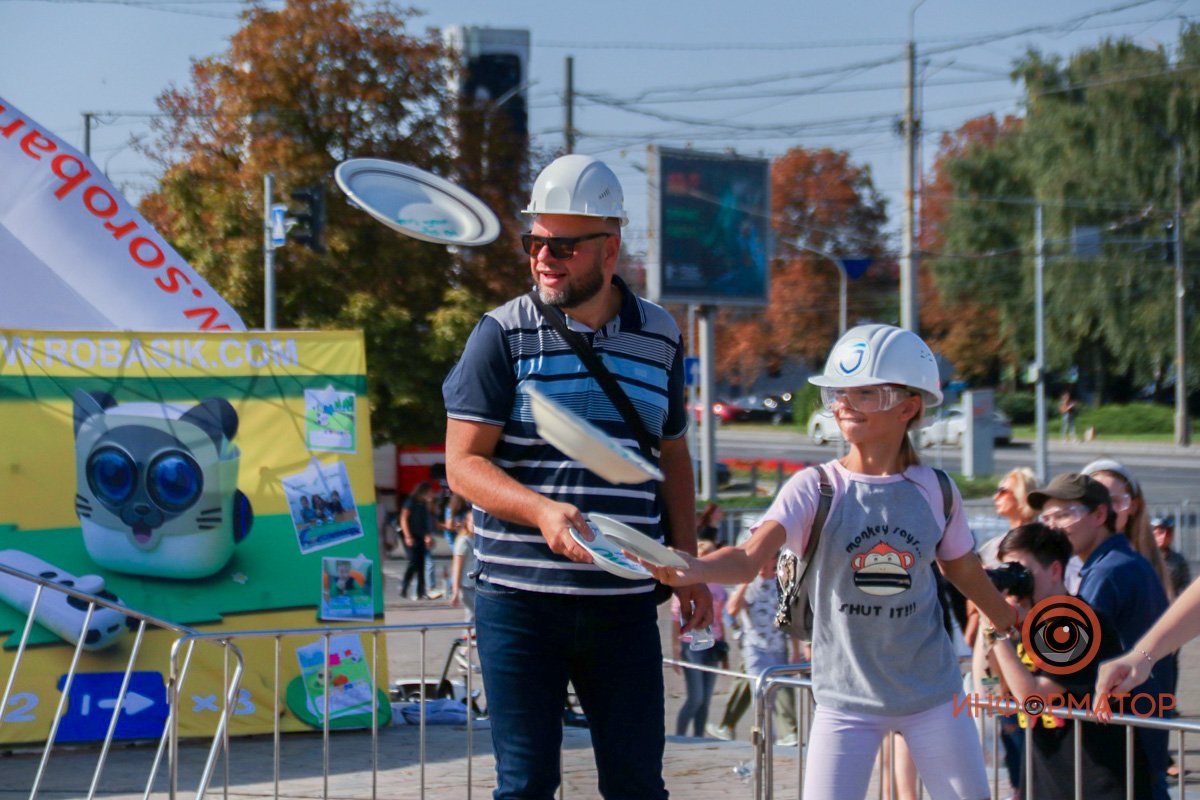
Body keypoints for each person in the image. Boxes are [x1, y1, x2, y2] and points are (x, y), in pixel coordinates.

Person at [641, 323, 1017, 800]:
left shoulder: (937, 489)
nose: (844, 405)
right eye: (838, 393)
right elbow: (750, 558)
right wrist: (696, 567)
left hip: (933, 696)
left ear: (908, 407)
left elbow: (960, 568)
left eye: (865, 394)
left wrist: (1009, 621)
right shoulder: (815, 487)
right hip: (844, 701)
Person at [442, 154, 711, 800]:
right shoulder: (500, 335)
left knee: (638, 786)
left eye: (562, 246)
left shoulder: (660, 335)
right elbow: (462, 465)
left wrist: (688, 562)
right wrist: (541, 511)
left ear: (609, 249)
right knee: (526, 785)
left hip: (623, 603)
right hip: (519, 602)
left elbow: (673, 455)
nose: (544, 258)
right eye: (534, 242)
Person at [976, 523, 1150, 799]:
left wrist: (995, 627)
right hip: (1046, 782)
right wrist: (990, 616)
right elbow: (995, 689)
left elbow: (1032, 697)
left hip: (1098, 786)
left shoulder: (1079, 623)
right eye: (1006, 570)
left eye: (1021, 570)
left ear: (1055, 570)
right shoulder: (1027, 625)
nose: (1014, 580)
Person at [1027, 472, 1174, 800]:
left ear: (1099, 515)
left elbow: (1069, 651)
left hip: (1125, 745)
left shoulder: (1108, 572)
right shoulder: (1123, 562)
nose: (1052, 527)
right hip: (1141, 733)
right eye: (1046, 517)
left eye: (1064, 514)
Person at [724, 555, 799, 746]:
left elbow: (791, 620)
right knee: (759, 695)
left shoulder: (781, 584)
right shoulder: (749, 585)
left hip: (778, 647)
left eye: (770, 561)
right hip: (755, 648)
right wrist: (746, 581)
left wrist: (795, 650)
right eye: (762, 562)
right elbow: (731, 610)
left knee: (779, 693)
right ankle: (765, 741)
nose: (765, 566)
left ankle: (785, 735)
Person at [1080, 458, 1174, 599]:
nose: (1104, 510)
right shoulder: (1066, 561)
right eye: (1094, 501)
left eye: (1114, 501)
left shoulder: (1140, 565)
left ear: (1133, 506)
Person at [670, 540, 729, 738]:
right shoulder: (687, 583)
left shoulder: (718, 586)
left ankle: (698, 738)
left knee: (705, 700)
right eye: (706, 556)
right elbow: (675, 619)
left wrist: (725, 652)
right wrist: (676, 650)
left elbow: (719, 618)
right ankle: (679, 736)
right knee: (695, 697)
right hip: (691, 644)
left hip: (713, 644)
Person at [399, 481, 434, 601]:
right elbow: (403, 519)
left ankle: (421, 591)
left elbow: (425, 521)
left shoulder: (423, 504)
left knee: (421, 564)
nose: (431, 494)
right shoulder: (411, 501)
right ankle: (404, 585)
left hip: (420, 536)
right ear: (423, 492)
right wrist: (407, 536)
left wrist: (427, 535)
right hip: (411, 535)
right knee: (413, 561)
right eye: (429, 492)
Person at [449, 510, 477, 621]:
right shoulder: (463, 541)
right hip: (467, 586)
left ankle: (468, 631)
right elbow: (457, 567)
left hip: (477, 584)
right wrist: (455, 590)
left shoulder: (478, 540)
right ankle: (468, 632)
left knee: (475, 615)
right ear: (467, 523)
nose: (475, 526)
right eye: (473, 523)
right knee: (473, 614)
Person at [1152, 516, 1191, 597]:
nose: (1163, 537)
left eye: (1168, 534)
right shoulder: (1145, 558)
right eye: (1159, 533)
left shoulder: (1178, 560)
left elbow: (1185, 586)